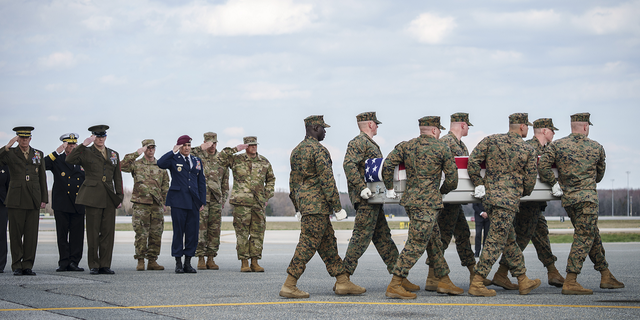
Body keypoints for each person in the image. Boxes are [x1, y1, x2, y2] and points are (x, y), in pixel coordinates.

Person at [279, 115, 365, 298]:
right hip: (317, 206)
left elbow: (293, 182)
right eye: (323, 129)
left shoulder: (296, 151)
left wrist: (297, 206)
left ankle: (342, 281)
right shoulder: (319, 150)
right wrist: (337, 207)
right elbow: (327, 180)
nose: (325, 132)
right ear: (315, 128)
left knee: (328, 245)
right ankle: (289, 284)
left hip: (308, 206)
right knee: (307, 244)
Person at [539, 112, 624, 295]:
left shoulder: (557, 146)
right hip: (587, 199)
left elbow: (543, 166)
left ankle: (605, 274)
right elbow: (599, 176)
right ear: (585, 127)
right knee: (584, 237)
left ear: (572, 126)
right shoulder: (596, 147)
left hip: (569, 200)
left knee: (591, 234)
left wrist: (555, 184)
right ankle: (571, 280)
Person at [382, 116, 462, 299]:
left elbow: (387, 165)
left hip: (411, 202)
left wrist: (390, 188)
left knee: (434, 241)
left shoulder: (406, 146)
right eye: (439, 130)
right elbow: (452, 179)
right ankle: (395, 283)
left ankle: (443, 279)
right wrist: (440, 192)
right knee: (416, 244)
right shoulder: (442, 148)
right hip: (429, 204)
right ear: (434, 130)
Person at [342, 111, 418, 292]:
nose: (377, 126)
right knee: (360, 238)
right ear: (369, 124)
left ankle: (399, 276)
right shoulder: (359, 142)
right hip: (366, 199)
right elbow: (348, 165)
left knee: (384, 238)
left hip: (373, 200)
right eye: (375, 123)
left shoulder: (368, 143)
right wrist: (361, 188)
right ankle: (343, 278)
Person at [467, 113, 541, 296]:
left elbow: (473, 161)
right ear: (522, 127)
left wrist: (479, 184)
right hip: (508, 202)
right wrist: (518, 192)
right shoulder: (528, 150)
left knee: (509, 240)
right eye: (527, 127)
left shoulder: (491, 140)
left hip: (491, 199)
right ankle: (477, 282)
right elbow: (530, 181)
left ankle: (523, 279)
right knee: (495, 242)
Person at [490, 118, 564, 290]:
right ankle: (502, 273)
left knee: (541, 237)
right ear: (545, 131)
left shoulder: (544, 149)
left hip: (536, 203)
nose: (554, 134)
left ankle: (553, 272)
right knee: (521, 239)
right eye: (552, 130)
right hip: (526, 203)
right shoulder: (529, 148)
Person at [425, 112, 476, 290]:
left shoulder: (461, 146)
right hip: (446, 200)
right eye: (468, 125)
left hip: (455, 200)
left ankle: (474, 274)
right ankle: (433, 278)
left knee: (463, 235)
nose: (468, 128)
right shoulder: (445, 142)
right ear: (462, 125)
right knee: (443, 237)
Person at [66, 125, 124, 275]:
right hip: (92, 196)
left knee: (107, 233)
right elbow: (69, 159)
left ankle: (105, 264)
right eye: (97, 137)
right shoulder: (86, 152)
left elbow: (117, 177)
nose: (100, 139)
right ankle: (94, 264)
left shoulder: (113, 154)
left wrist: (119, 196)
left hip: (109, 196)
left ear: (106, 137)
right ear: (93, 137)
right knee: (93, 232)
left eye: (102, 136)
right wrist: (83, 144)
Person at [219, 136, 275, 272]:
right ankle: (244, 262)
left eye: (255, 144)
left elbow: (271, 180)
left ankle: (255, 261)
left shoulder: (264, 162)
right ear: (245, 146)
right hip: (241, 203)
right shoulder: (236, 159)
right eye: (250, 145)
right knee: (242, 232)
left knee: (258, 232)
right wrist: (235, 149)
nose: (254, 147)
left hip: (258, 203)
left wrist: (266, 195)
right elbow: (220, 158)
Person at [0, 126, 48, 276]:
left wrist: (44, 199)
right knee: (15, 234)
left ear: (30, 138)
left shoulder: (38, 154)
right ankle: (17, 265)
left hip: (33, 198)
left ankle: (27, 265)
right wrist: (7, 146)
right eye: (21, 138)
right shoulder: (10, 153)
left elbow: (42, 178)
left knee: (31, 234)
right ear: (18, 139)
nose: (24, 140)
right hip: (16, 198)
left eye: (26, 138)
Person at [157, 135, 206, 274]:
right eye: (184, 146)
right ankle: (178, 263)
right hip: (178, 201)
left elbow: (201, 181)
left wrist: (202, 201)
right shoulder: (174, 159)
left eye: (189, 145)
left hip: (193, 202)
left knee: (192, 234)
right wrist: (173, 151)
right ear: (179, 147)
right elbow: (160, 163)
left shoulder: (196, 160)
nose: (187, 148)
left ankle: (188, 263)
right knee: (179, 232)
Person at [121, 139, 169, 271]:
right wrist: (137, 153)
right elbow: (122, 165)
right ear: (143, 149)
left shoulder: (160, 165)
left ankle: (152, 260)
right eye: (148, 147)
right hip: (141, 204)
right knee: (141, 234)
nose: (151, 150)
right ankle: (140, 260)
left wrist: (164, 202)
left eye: (153, 147)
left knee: (156, 234)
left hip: (156, 205)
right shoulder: (136, 164)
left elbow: (165, 185)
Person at [45, 133, 86, 272]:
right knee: (62, 235)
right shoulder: (57, 159)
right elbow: (43, 164)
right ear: (64, 145)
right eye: (69, 144)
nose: (72, 146)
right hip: (62, 203)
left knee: (77, 236)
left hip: (78, 203)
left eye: (74, 144)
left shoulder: (82, 160)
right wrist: (57, 152)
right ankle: (63, 262)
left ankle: (74, 262)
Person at [191, 132, 229, 270]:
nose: (212, 146)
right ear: (205, 143)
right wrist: (201, 147)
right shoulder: (197, 156)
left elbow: (225, 182)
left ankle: (211, 258)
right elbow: (188, 151)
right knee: (201, 229)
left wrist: (223, 199)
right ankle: (200, 257)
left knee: (214, 229)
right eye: (209, 143)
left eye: (214, 143)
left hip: (216, 199)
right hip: (201, 199)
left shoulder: (221, 159)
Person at [0, 165, 8, 273]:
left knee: (1, 234)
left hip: (2, 203)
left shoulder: (4, 166)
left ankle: (0, 263)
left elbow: (9, 184)